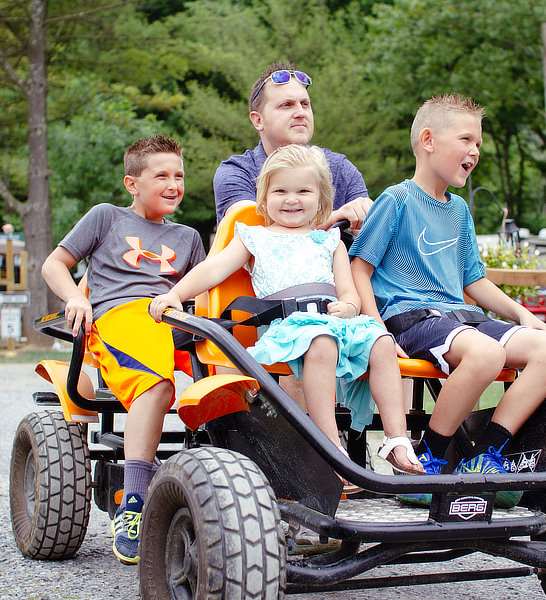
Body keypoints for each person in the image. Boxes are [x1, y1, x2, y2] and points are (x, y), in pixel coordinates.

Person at [151, 144, 424, 481]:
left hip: (332, 322)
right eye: (280, 190)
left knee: (381, 340)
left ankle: (396, 439)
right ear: (263, 199)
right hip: (289, 326)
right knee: (321, 341)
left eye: (303, 191)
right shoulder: (256, 237)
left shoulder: (330, 242)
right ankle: (328, 444)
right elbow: (213, 270)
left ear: (322, 200)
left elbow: (349, 291)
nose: (291, 199)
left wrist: (350, 306)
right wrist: (175, 294)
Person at [349, 94, 546, 508]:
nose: (475, 151)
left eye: (479, 145)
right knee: (485, 354)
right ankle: (428, 458)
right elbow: (359, 267)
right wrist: (374, 324)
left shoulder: (460, 210)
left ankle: (486, 456)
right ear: (428, 140)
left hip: (461, 317)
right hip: (412, 316)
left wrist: (522, 314)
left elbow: (474, 281)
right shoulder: (396, 200)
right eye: (466, 139)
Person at [40, 135, 206, 564]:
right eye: (162, 176)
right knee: (157, 385)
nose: (174, 184)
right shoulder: (107, 218)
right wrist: (76, 298)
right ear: (132, 184)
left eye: (180, 176)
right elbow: (53, 264)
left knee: (236, 368)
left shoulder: (188, 237)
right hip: (120, 319)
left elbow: (200, 296)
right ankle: (133, 502)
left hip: (173, 320)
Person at [213, 60, 373, 230]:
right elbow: (252, 235)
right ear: (258, 120)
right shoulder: (236, 172)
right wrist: (336, 217)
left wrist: (366, 218)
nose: (300, 113)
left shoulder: (340, 168)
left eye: (305, 104)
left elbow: (369, 244)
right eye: (287, 105)